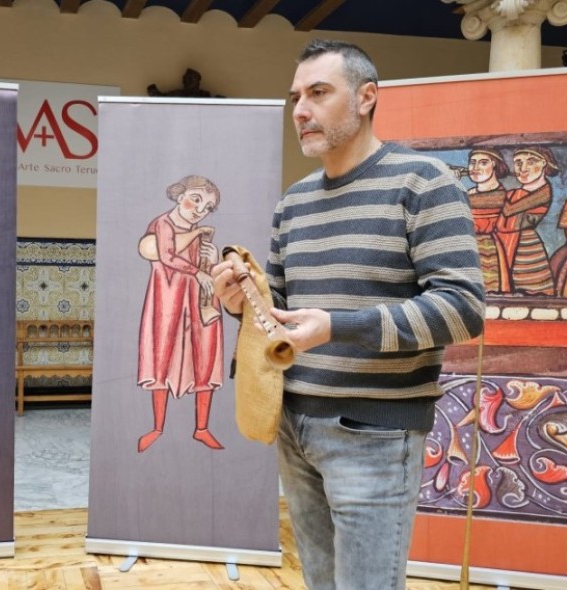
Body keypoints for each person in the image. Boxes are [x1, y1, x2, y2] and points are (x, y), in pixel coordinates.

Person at [212, 40, 485, 590]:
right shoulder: (293, 202)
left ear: (367, 98)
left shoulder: (422, 183)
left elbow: (463, 310)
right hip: (295, 426)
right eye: (295, 97)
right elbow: (282, 320)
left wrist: (338, 327)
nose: (301, 111)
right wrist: (242, 304)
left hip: (375, 433)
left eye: (318, 93)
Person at [136, 175, 224, 453]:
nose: (200, 209)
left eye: (207, 207)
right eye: (196, 199)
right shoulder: (163, 223)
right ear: (179, 195)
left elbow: (208, 272)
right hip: (168, 302)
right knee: (162, 356)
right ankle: (157, 428)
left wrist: (212, 259)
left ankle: (201, 429)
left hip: (199, 304)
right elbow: (168, 255)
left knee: (204, 357)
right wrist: (198, 267)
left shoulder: (200, 233)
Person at [496, 145, 559, 296]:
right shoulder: (512, 193)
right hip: (504, 245)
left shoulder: (542, 193)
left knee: (532, 293)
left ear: (543, 163)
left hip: (526, 248)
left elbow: (508, 214)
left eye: (530, 162)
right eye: (518, 163)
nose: (522, 169)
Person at [466, 147, 511, 294]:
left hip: (488, 249)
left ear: (495, 165)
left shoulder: (504, 196)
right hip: (466, 249)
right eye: (472, 163)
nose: (476, 168)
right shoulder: (467, 194)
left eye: (483, 163)